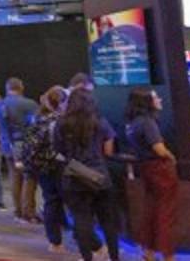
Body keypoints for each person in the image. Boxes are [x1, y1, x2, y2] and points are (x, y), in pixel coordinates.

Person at [56, 88, 120, 261]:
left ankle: (87, 257)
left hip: (74, 176)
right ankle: (114, 257)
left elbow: (59, 150)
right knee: (108, 222)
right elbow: (108, 149)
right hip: (99, 176)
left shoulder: (62, 123)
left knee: (81, 220)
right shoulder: (100, 122)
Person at [126, 87, 178, 261]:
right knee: (166, 213)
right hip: (160, 170)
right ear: (146, 102)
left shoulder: (133, 123)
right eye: (155, 97)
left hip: (146, 168)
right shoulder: (148, 122)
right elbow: (159, 149)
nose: (160, 100)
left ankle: (148, 251)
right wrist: (171, 157)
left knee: (151, 210)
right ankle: (168, 255)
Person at [31, 86, 68, 253]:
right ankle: (90, 242)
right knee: (73, 201)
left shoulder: (37, 119)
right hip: (60, 166)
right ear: (60, 103)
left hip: (42, 166)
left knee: (50, 201)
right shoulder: (61, 122)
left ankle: (54, 242)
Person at [0, 77, 38, 223]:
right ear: (21, 87)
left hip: (7, 146)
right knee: (29, 178)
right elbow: (35, 125)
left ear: (7, 88)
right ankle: (28, 213)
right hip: (25, 146)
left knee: (14, 178)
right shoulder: (29, 104)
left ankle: (18, 211)